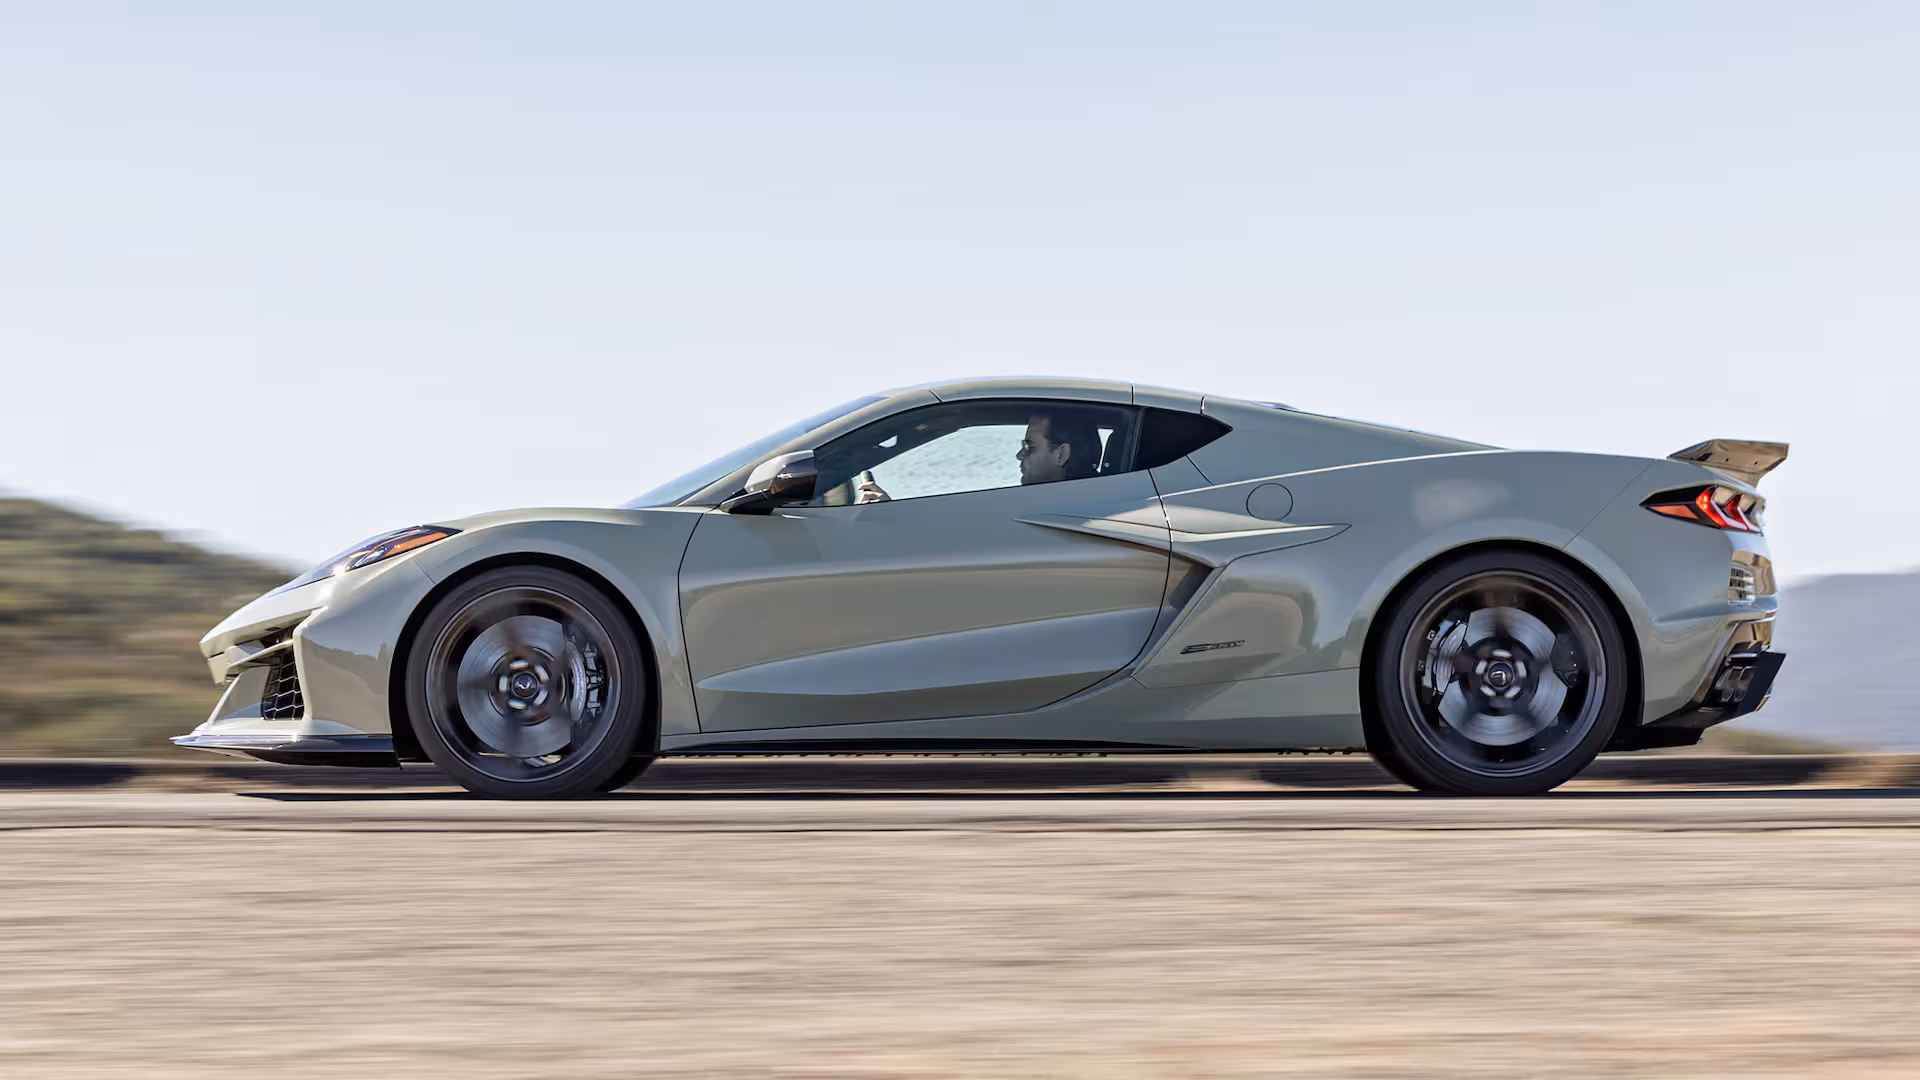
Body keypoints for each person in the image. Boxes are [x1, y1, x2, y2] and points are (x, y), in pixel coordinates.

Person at [857, 408, 1104, 503]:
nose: (1020, 455)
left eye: (1030, 446)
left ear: (1061, 454)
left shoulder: (1066, 513)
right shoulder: (1054, 504)